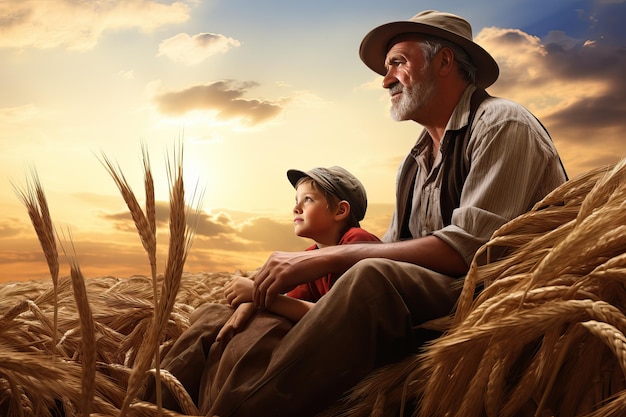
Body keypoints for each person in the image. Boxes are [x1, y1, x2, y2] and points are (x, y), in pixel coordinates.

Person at [159, 10, 568, 417]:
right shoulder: (414, 161)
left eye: (398, 63)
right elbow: (393, 247)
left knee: (370, 278)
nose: (386, 79)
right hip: (431, 294)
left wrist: (329, 255)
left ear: (445, 61)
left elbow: (471, 252)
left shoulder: (501, 123)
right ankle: (149, 402)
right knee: (220, 314)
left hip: (491, 295)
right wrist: (262, 297)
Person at [146, 166, 379, 412]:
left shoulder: (358, 243)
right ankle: (154, 403)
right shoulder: (312, 256)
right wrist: (251, 301)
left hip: (343, 348)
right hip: (320, 335)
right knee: (214, 317)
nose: (296, 208)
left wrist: (262, 298)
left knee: (248, 335)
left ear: (341, 210)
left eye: (308, 199)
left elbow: (336, 317)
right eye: (296, 201)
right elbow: (290, 300)